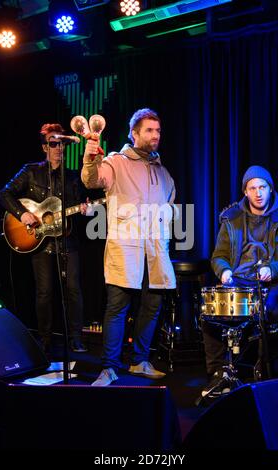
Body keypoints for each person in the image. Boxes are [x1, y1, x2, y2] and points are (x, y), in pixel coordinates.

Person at [81, 108, 176, 386]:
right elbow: (92, 180)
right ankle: (109, 367)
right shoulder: (116, 161)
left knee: (152, 305)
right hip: (126, 247)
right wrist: (89, 157)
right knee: (117, 307)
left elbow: (169, 205)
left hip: (155, 250)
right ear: (134, 133)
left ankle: (139, 361)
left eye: (157, 130)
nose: (155, 135)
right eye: (149, 130)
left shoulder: (163, 170)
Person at [201, 165, 278, 397]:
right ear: (245, 192)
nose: (258, 192)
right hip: (240, 279)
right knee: (209, 315)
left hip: (276, 281)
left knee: (271, 309)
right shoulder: (231, 218)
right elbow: (218, 256)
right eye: (253, 188)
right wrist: (224, 272)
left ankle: (266, 372)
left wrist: (274, 269)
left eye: (263, 187)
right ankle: (219, 373)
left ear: (271, 189)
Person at [0, 123, 88, 354]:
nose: (58, 148)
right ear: (44, 147)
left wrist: (85, 210)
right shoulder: (30, 171)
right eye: (53, 143)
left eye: (61, 144)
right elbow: (4, 193)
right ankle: (45, 339)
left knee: (74, 290)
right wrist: (23, 213)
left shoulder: (72, 177)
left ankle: (76, 338)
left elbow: (77, 208)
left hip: (68, 242)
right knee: (44, 292)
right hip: (39, 242)